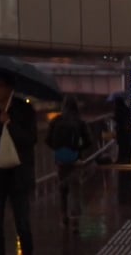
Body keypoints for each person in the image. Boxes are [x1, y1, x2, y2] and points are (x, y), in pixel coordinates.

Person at [0, 76, 36, 255]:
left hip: (18, 176)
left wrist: (9, 124)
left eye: (0, 86)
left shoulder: (24, 110)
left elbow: (30, 139)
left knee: (22, 223)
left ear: (10, 88)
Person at [46, 95, 93, 223]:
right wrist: (77, 148)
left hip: (60, 160)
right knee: (75, 188)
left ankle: (63, 215)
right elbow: (89, 141)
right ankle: (75, 219)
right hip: (75, 158)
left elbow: (47, 140)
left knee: (63, 188)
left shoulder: (56, 120)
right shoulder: (79, 122)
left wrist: (58, 149)